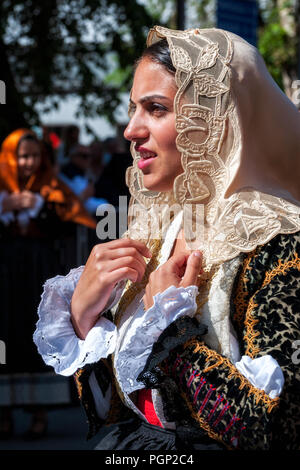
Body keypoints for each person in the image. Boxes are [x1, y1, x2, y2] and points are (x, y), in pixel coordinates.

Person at [34, 26, 300, 450]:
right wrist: (86, 319)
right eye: (133, 109)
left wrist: (168, 331)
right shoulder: (160, 227)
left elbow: (277, 427)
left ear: (215, 120)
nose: (131, 130)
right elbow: (119, 411)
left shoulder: (277, 242)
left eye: (156, 109)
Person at [0, 129, 96, 439]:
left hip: (35, 274)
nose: (29, 162)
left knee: (34, 333)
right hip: (4, 276)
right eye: (22, 156)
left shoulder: (52, 189)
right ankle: (4, 413)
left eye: (34, 156)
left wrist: (40, 209)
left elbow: (75, 223)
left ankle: (39, 412)